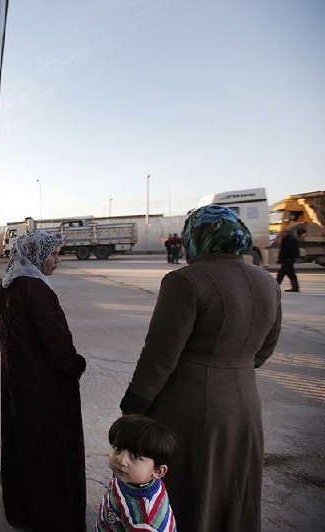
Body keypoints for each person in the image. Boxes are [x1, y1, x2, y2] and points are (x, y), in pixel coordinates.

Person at [120, 205, 282, 532]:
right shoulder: (267, 282)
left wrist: (133, 408)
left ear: (197, 236)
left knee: (193, 491)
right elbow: (265, 349)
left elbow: (160, 356)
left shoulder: (186, 282)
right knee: (233, 487)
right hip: (245, 404)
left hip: (191, 409)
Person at [0, 230, 87, 530]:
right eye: (52, 254)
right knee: (50, 454)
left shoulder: (7, 286)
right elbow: (58, 345)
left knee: (24, 447)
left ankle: (23, 510)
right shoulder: (37, 290)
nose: (57, 260)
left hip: (17, 383)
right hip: (45, 389)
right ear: (35, 255)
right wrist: (75, 366)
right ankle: (52, 518)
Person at [97, 415, 178, 532]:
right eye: (118, 448)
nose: (121, 460)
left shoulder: (145, 520)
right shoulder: (131, 478)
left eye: (135, 456)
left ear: (159, 471)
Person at [276, 227, 303, 292]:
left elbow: (291, 250)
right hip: (286, 259)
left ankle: (275, 286)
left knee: (281, 274)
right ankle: (295, 287)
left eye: (283, 233)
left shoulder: (291, 240)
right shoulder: (285, 239)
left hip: (288, 259)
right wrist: (280, 259)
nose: (281, 234)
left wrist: (291, 258)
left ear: (287, 233)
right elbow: (282, 251)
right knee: (291, 274)